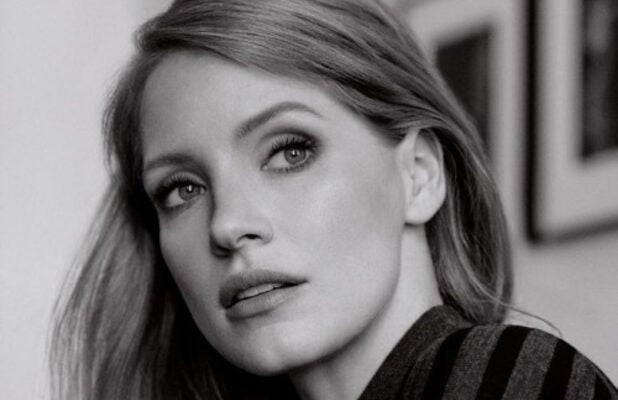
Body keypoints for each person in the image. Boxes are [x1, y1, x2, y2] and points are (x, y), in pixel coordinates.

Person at [50, 0, 617, 399]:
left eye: (290, 151)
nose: (227, 224)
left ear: (418, 175)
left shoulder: (506, 378)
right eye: (183, 189)